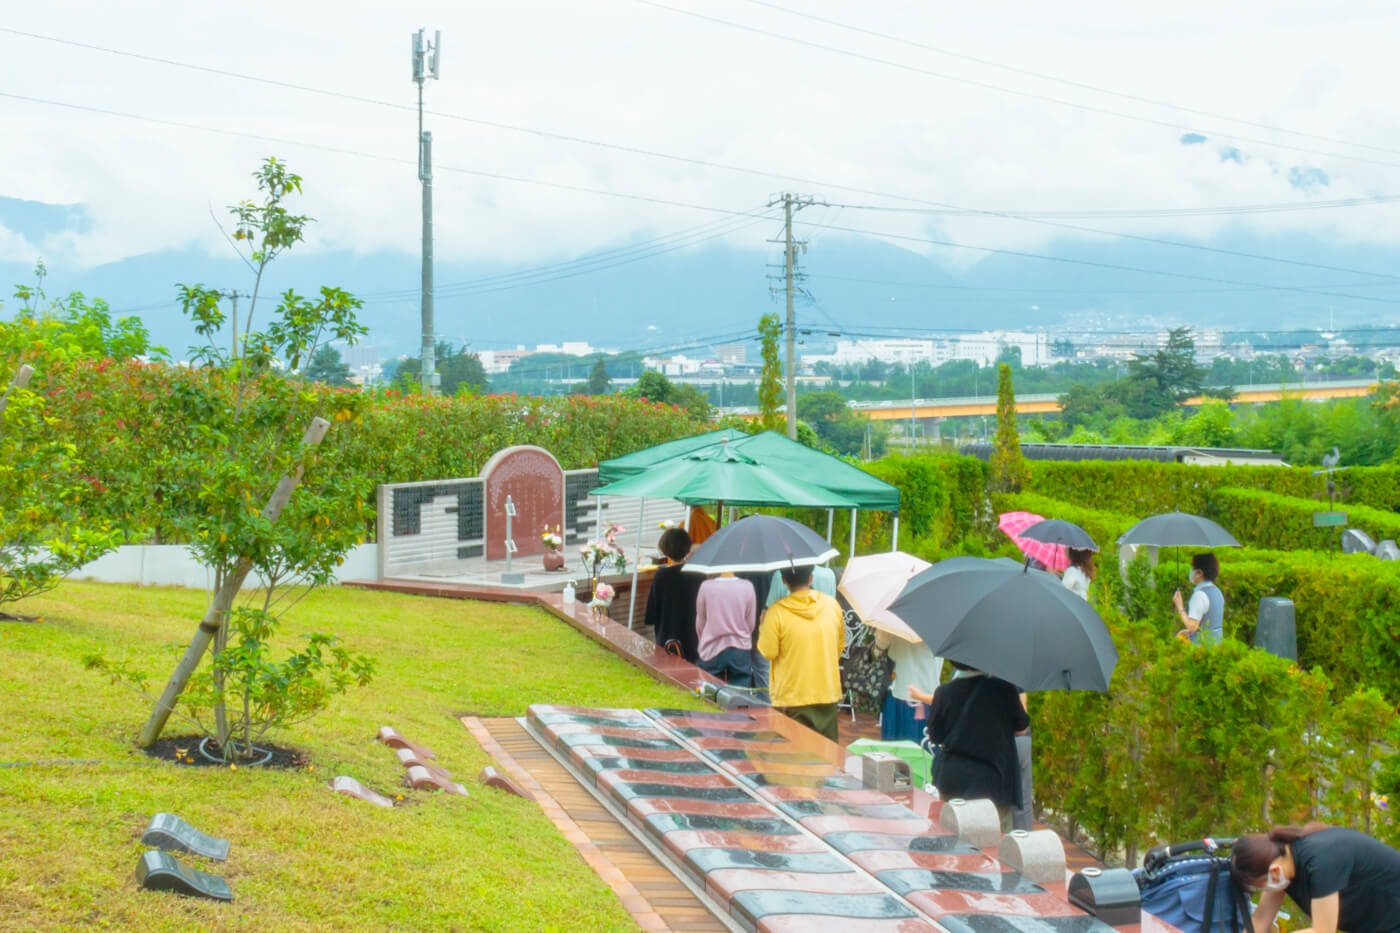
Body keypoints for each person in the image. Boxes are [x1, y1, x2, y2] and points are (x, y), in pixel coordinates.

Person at [1230, 822, 1400, 933]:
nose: (1263, 890)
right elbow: (1260, 919)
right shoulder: (1282, 861)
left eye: (1260, 885)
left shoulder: (1322, 861)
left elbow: (1323, 931)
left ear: (1273, 871)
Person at [923, 661, 1029, 834]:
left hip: (952, 778)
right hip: (994, 780)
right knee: (994, 843)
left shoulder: (944, 692)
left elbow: (935, 736)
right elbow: (1022, 728)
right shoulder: (1004, 690)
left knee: (950, 834)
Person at [757, 564, 846, 743]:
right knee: (827, 758)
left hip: (792, 696)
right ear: (811, 578)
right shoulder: (831, 606)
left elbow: (768, 651)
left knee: (795, 762)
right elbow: (839, 647)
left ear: (783, 581)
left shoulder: (777, 612)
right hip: (827, 693)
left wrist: (762, 625)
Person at [643, 528, 703, 662]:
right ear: (687, 548)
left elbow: (652, 610)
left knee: (668, 670)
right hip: (693, 634)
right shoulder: (698, 574)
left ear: (665, 549)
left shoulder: (661, 575)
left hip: (667, 631)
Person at [874, 631, 942, 743]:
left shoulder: (896, 615)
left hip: (900, 689)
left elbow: (881, 643)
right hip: (928, 692)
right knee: (923, 752)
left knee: (893, 751)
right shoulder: (945, 618)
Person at [694, 572, 756, 687]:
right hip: (740, 648)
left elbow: (700, 621)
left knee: (710, 694)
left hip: (711, 647)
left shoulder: (706, 587)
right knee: (740, 698)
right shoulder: (748, 586)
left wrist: (704, 638)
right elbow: (750, 623)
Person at [1172, 552, 1224, 644]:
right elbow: (1211, 625)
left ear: (1199, 573)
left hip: (1201, 649)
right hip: (1217, 645)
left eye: (1192, 568)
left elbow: (1192, 626)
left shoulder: (1199, 595)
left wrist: (1180, 607)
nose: (1191, 572)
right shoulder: (1217, 591)